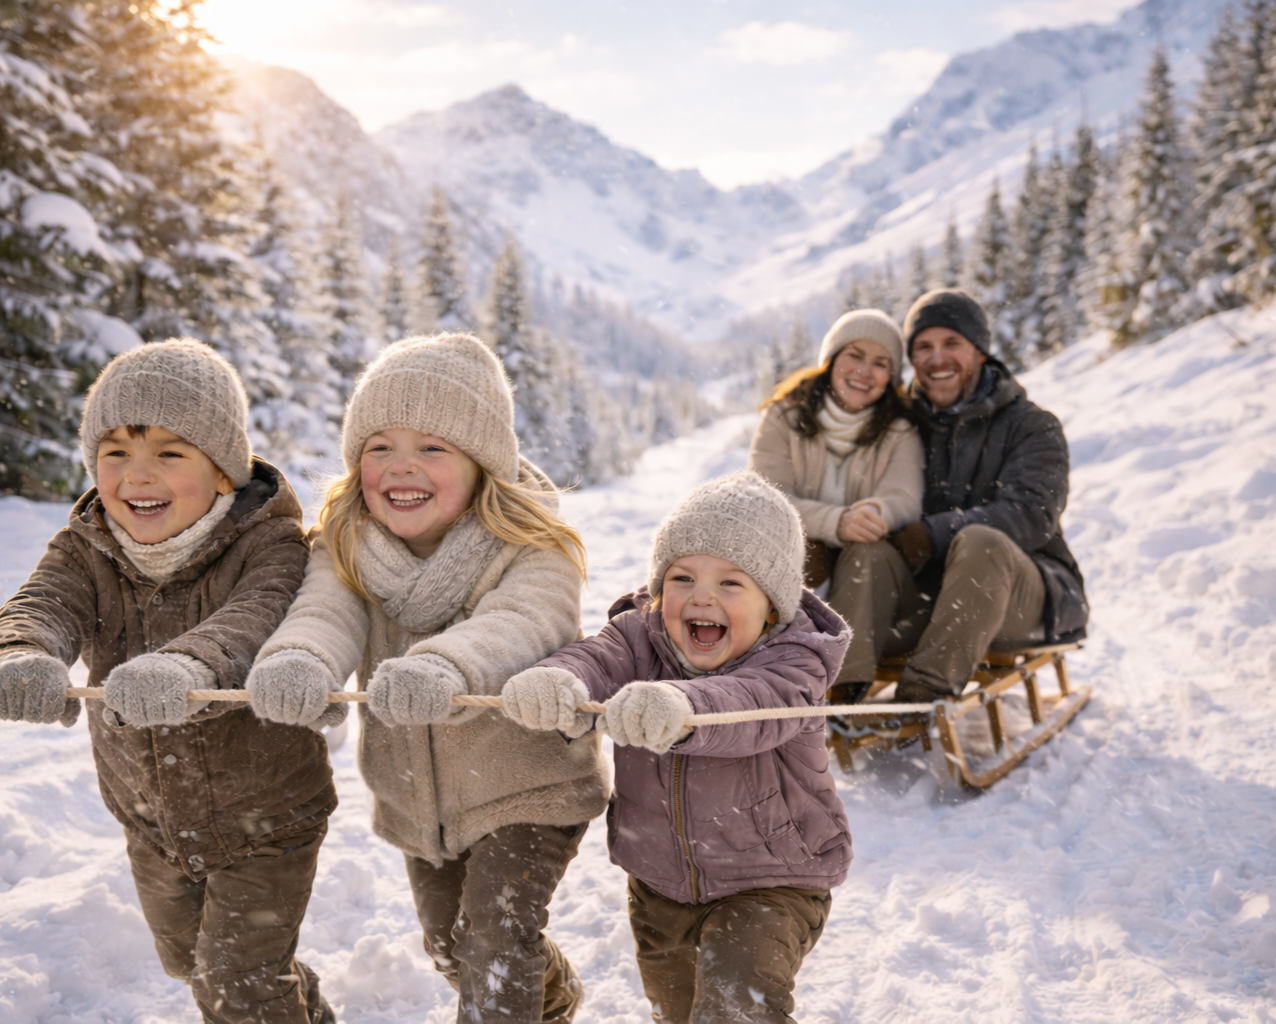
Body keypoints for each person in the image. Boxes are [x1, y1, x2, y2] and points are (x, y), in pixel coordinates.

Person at [245, 333, 609, 1024]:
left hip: (530, 787)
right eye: (380, 446)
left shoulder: (534, 546)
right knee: (450, 946)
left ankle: (518, 997)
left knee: (493, 943)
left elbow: (523, 622)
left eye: (433, 448)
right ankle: (551, 1000)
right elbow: (324, 615)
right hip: (419, 801)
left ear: (481, 465)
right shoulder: (346, 545)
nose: (401, 466)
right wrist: (301, 661)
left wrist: (444, 665)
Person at [0, 340, 336, 1024]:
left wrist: (186, 667)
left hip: (268, 817)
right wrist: (24, 654)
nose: (136, 476)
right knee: (190, 961)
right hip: (150, 818)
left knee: (236, 983)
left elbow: (253, 621)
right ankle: (302, 1003)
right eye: (116, 451)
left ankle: (269, 992)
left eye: (170, 453)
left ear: (222, 472)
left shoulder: (268, 544)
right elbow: (44, 604)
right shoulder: (86, 545)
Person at [501, 471, 852, 1024]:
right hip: (658, 884)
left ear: (771, 608)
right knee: (680, 1011)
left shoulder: (794, 661)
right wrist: (557, 682)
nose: (701, 596)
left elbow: (752, 703)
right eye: (682, 578)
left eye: (731, 584)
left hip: (772, 880)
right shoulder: (638, 636)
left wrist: (682, 708)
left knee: (737, 1008)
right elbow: (593, 660)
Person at [836, 289, 1089, 703]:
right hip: (934, 601)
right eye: (923, 347)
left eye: (952, 343)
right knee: (867, 550)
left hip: (1024, 598)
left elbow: (1030, 514)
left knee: (980, 541)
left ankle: (923, 697)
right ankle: (839, 693)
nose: (938, 359)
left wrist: (930, 534)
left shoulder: (1031, 426)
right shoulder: (897, 426)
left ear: (980, 352)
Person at [748, 307, 923, 703]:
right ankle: (759, 679)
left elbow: (905, 496)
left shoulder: (899, 430)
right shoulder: (784, 416)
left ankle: (842, 690)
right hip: (801, 553)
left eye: (881, 363)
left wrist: (875, 514)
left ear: (891, 377)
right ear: (831, 361)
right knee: (786, 554)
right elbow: (766, 497)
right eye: (855, 355)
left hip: (867, 566)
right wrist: (835, 521)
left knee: (867, 553)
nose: (865, 370)